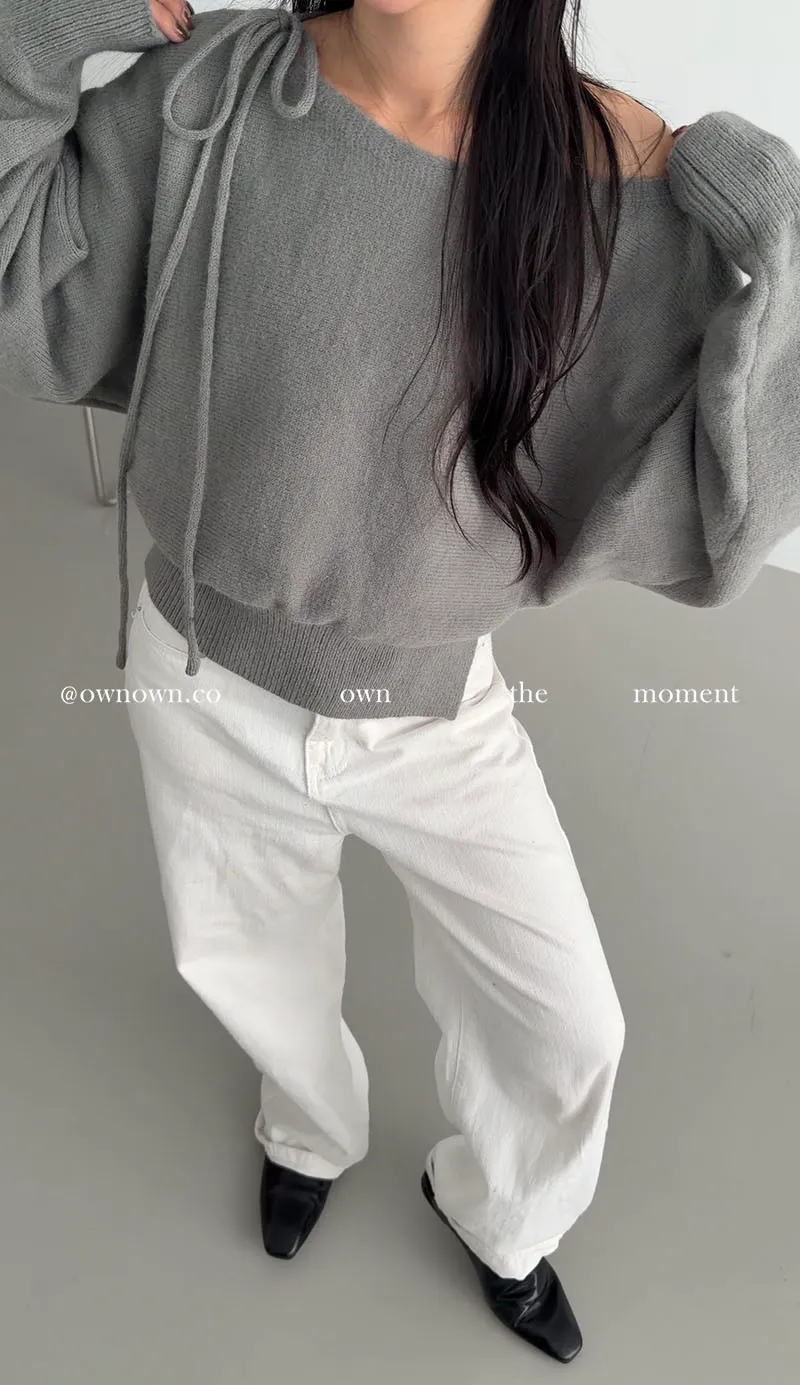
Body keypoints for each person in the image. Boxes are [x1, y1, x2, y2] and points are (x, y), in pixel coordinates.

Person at [2, 0, 799, 1364]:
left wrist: (776, 226)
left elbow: (735, 505)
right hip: (196, 674)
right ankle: (307, 1131)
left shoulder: (615, 191)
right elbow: (26, 273)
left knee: (568, 1025)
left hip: (434, 711)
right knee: (244, 956)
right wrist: (43, 26)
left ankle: (505, 1218)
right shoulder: (217, 92)